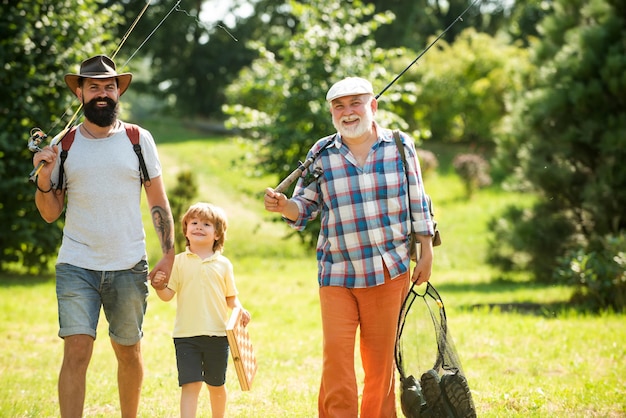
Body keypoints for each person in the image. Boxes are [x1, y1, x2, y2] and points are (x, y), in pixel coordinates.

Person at [264, 77, 435, 417]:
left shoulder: (400, 146)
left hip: (389, 270)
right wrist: (284, 206)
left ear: (373, 106)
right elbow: (304, 207)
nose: (348, 112)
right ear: (331, 113)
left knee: (380, 368)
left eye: (355, 103)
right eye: (339, 106)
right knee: (337, 364)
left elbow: (418, 201)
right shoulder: (322, 152)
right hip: (338, 274)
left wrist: (427, 250)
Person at [32, 54, 175, 418]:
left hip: (129, 264)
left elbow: (158, 200)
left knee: (129, 351)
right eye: (93, 86)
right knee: (76, 352)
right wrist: (45, 177)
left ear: (118, 93)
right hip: (77, 264)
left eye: (108, 86)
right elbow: (50, 213)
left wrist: (169, 253)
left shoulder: (137, 140)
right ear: (79, 92)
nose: (102, 93)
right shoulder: (63, 146)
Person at [151, 202, 251, 418]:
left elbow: (232, 298)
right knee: (191, 384)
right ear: (186, 229)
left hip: (217, 335)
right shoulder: (178, 262)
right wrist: (159, 287)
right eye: (193, 222)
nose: (198, 227)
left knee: (216, 385)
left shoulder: (224, 264)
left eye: (206, 224)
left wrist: (239, 310)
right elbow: (168, 295)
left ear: (217, 234)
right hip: (186, 335)